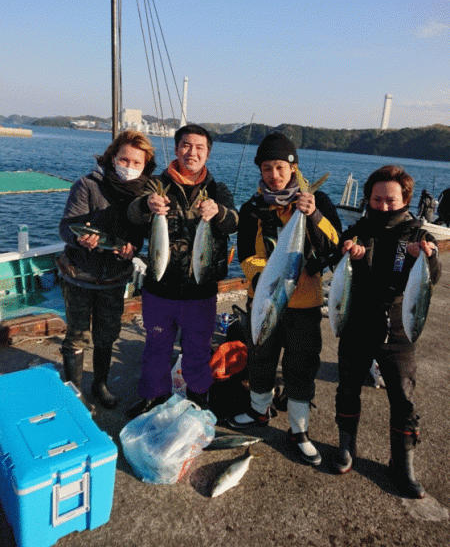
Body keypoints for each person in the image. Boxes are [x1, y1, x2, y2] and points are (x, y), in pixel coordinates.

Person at [228, 132, 341, 466]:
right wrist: (264, 280)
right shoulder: (251, 208)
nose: (273, 175)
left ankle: (299, 429)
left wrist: (314, 215)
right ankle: (258, 410)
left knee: (302, 364)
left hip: (304, 305)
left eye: (279, 167)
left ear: (293, 168)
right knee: (260, 356)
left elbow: (333, 247)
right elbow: (246, 252)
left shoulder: (316, 201)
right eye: (266, 168)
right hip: (264, 300)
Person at [333, 165, 441, 499]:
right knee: (348, 387)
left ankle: (402, 462)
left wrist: (427, 257)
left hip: (398, 329)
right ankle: (346, 447)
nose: (382, 205)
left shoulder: (420, 235)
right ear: (367, 198)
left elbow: (432, 277)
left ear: (405, 199)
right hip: (357, 324)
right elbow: (338, 267)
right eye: (376, 199)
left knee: (403, 397)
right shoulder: (357, 230)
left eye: (389, 200)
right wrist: (346, 252)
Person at [126, 124, 238, 418]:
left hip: (200, 291)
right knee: (156, 348)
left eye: (200, 147)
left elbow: (233, 223)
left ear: (208, 154)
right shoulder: (155, 184)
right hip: (159, 288)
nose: (193, 152)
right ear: (176, 150)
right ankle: (153, 396)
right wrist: (147, 205)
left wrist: (218, 212)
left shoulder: (217, 190)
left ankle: (198, 396)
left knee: (198, 350)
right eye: (187, 145)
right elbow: (133, 215)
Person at [58, 130, 155, 409]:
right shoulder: (87, 185)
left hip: (114, 278)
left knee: (107, 335)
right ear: (112, 157)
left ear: (145, 166)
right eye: (124, 159)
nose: (129, 167)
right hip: (79, 275)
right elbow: (66, 227)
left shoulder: (143, 194)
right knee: (77, 335)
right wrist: (79, 238)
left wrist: (132, 249)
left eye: (137, 163)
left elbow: (139, 235)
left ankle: (100, 384)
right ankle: (74, 393)